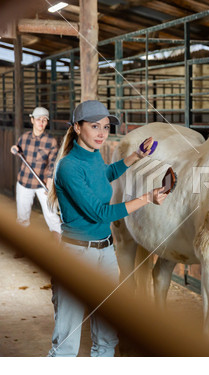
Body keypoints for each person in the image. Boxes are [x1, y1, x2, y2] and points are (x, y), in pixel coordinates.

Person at [47, 100, 168, 357]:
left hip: (105, 253)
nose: (102, 133)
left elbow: (106, 174)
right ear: (77, 128)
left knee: (106, 338)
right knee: (66, 344)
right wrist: (147, 198)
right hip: (76, 256)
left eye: (105, 127)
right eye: (94, 126)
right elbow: (100, 213)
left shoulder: (93, 156)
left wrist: (137, 156)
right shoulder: (68, 167)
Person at [10, 107, 61, 236]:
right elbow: (17, 149)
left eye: (44, 120)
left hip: (43, 184)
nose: (41, 123)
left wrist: (49, 182)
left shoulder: (51, 141)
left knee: (52, 215)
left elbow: (53, 164)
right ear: (32, 120)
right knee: (22, 217)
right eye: (38, 119)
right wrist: (14, 149)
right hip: (24, 182)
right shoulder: (24, 137)